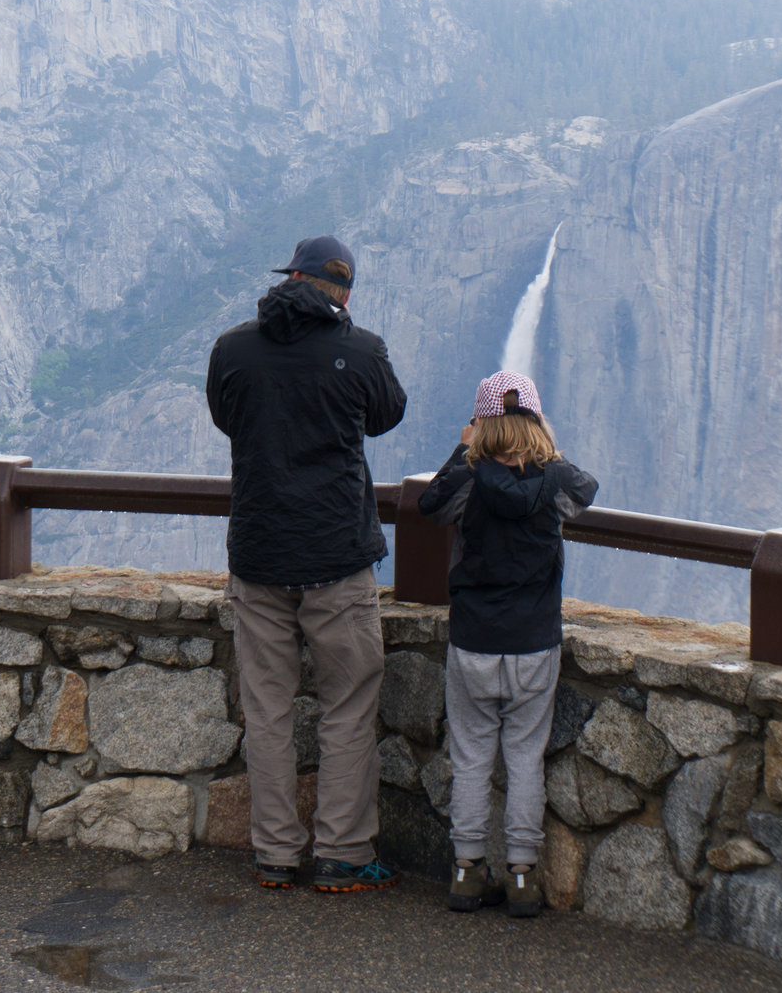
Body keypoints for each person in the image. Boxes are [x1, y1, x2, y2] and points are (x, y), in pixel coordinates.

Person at [206, 235, 407, 893]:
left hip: (259, 552)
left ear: (289, 276)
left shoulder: (234, 348)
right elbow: (388, 413)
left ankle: (275, 853)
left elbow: (224, 415)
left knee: (266, 707)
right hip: (338, 556)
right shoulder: (360, 349)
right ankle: (344, 852)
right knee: (347, 703)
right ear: (343, 292)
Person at [419, 370, 597, 918]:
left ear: (482, 422)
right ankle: (522, 876)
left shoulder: (468, 483)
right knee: (524, 758)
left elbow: (429, 504)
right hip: (533, 642)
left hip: (474, 640)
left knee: (471, 760)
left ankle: (468, 871)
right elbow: (585, 487)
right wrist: (546, 441)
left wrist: (464, 445)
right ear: (536, 421)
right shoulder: (555, 485)